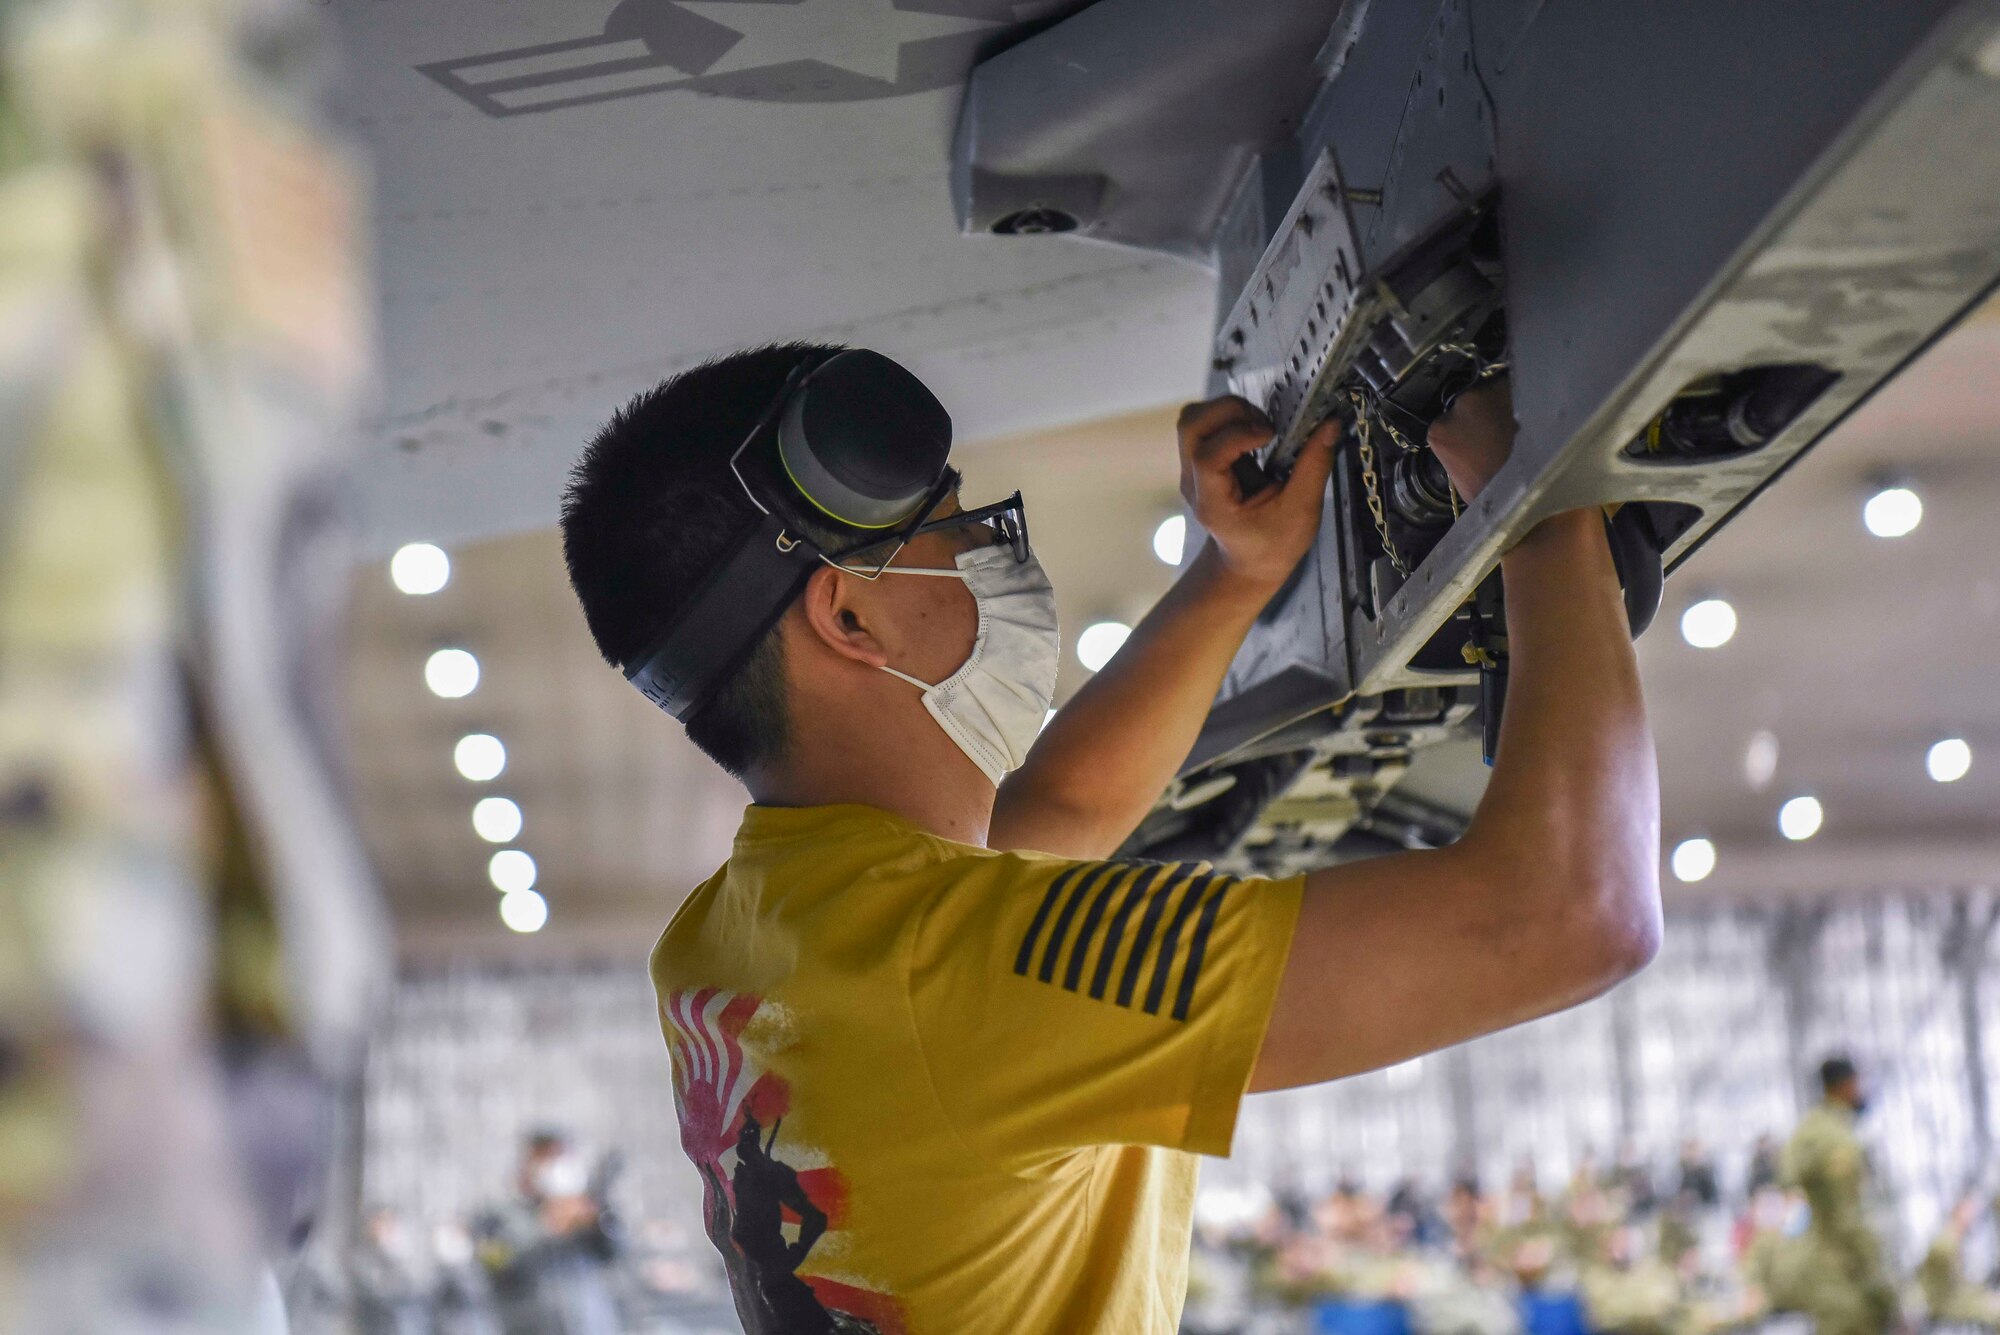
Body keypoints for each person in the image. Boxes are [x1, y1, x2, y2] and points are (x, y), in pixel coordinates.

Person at [559, 344, 1662, 1332]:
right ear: (849, 616)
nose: (987, 553)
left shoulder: (741, 941)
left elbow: (1062, 818)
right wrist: (1540, 514)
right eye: (950, 530)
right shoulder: (961, 971)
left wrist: (1236, 574)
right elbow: (1569, 916)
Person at [1780, 1056, 1898, 1335]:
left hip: (1820, 1272)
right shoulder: (1836, 1140)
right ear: (1844, 1086)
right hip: (1845, 1277)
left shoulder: (1808, 1130)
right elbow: (1849, 1219)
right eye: (1858, 1083)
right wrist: (1882, 1286)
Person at [474, 1130, 621, 1335]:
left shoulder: (582, 1209)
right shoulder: (496, 1215)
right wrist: (548, 1227)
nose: (556, 1167)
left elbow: (614, 1253)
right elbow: (493, 1265)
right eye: (547, 1158)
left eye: (561, 1157)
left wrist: (598, 1218)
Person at [1917, 1194, 2000, 1328]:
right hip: (1944, 1304)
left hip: (1951, 1300)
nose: (1973, 1219)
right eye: (1969, 1213)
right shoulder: (1946, 1244)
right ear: (1959, 1213)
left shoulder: (1952, 1241)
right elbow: (1947, 1288)